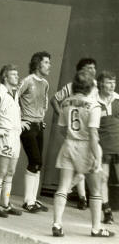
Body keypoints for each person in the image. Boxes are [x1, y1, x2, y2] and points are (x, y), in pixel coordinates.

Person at [52, 70, 114, 238]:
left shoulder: (66, 103)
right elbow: (94, 135)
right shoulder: (93, 105)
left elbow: (62, 129)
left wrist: (72, 138)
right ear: (89, 87)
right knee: (95, 191)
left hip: (68, 145)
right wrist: (97, 158)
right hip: (87, 147)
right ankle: (96, 228)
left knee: (63, 187)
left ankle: (57, 224)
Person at [50, 58, 98, 210]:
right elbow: (55, 99)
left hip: (89, 129)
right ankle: (82, 197)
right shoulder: (72, 86)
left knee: (79, 170)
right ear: (80, 71)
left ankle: (81, 196)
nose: (91, 71)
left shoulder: (96, 87)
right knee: (83, 168)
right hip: (80, 133)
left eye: (93, 68)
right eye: (88, 68)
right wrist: (63, 116)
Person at [0, 64, 23, 218]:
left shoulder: (13, 94)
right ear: (5, 77)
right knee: (1, 171)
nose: (17, 76)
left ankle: (5, 204)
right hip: (5, 137)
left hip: (15, 137)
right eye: (14, 74)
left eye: (17, 74)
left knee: (10, 172)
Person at [19, 51, 50, 213]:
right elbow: (13, 98)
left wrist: (41, 118)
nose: (48, 66)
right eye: (46, 63)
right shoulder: (27, 81)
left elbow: (43, 103)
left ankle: (32, 199)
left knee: (38, 163)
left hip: (38, 126)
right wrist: (20, 121)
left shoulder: (45, 83)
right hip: (28, 125)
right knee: (34, 160)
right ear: (38, 64)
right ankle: (27, 201)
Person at [97, 71, 119, 224]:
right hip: (103, 146)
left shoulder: (118, 99)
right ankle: (107, 212)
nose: (112, 85)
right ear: (101, 84)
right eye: (109, 82)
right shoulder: (94, 100)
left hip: (118, 144)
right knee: (102, 178)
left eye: (114, 82)